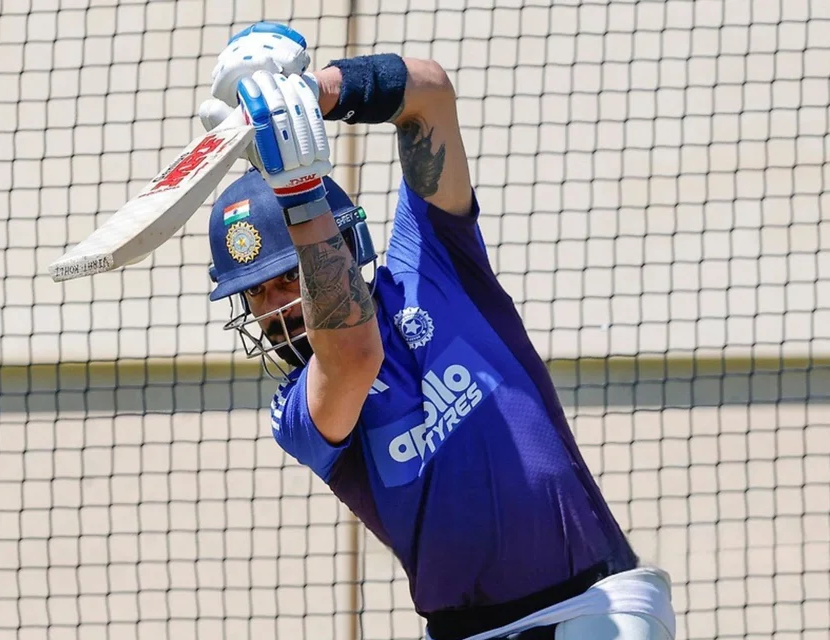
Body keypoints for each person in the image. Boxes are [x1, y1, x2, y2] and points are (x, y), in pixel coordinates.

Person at [197, 22, 676, 640]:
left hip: (593, 605)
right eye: (257, 292)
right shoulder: (297, 411)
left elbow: (429, 96)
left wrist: (314, 94)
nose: (276, 305)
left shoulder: (431, 258)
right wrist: (297, 187)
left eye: (286, 276)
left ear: (343, 241)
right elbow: (353, 355)